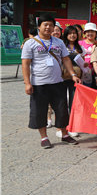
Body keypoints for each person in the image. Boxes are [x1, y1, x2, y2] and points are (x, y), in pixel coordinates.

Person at [21, 14, 80, 148]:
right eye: (45, 25)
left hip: (57, 82)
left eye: (51, 25)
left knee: (62, 110)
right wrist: (27, 83)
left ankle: (65, 134)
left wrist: (72, 74)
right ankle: (44, 137)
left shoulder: (59, 42)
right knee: (39, 111)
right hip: (39, 83)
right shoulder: (30, 43)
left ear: (54, 27)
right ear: (39, 27)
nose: (48, 27)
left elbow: (66, 59)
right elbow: (25, 64)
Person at [60, 26, 84, 138]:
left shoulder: (80, 48)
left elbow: (83, 62)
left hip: (76, 78)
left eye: (74, 33)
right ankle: (63, 126)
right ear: (66, 35)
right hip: (63, 77)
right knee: (62, 102)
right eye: (70, 33)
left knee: (74, 103)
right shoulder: (62, 46)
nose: (72, 35)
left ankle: (73, 126)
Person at [78, 22, 97, 88]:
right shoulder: (79, 43)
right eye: (88, 32)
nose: (90, 33)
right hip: (82, 73)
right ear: (85, 33)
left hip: (95, 72)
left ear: (96, 33)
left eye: (92, 31)